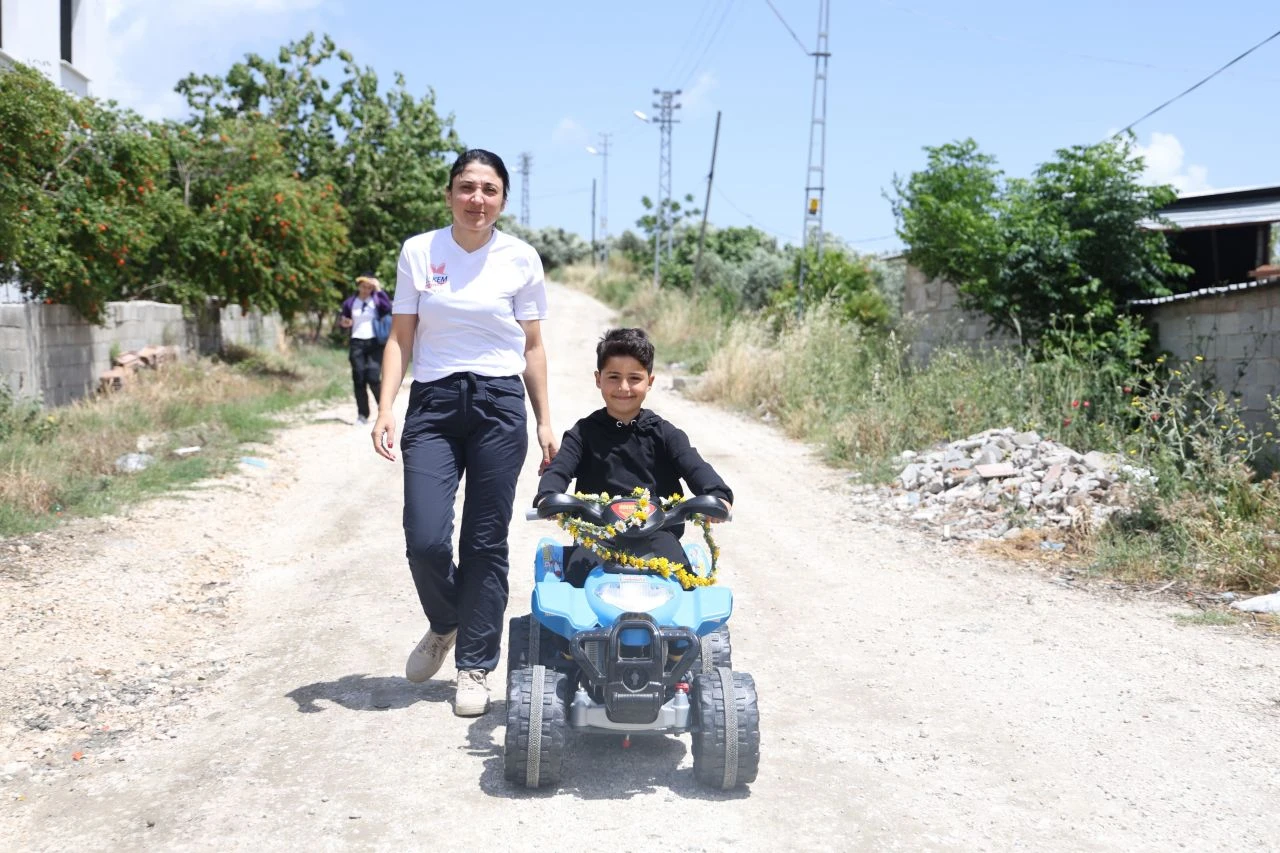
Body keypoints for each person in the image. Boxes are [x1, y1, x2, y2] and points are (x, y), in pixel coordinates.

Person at [371, 149, 556, 718]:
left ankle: (474, 665)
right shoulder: (420, 252)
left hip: (500, 404)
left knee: (484, 541)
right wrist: (386, 406)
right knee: (425, 537)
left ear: (503, 198)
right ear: (449, 192)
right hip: (434, 403)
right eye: (467, 187)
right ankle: (446, 619)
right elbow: (401, 336)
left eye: (490, 190)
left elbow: (532, 347)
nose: (478, 199)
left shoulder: (521, 259)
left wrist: (546, 418)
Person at [535, 327, 732, 586]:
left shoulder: (665, 434)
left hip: (658, 534)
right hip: (598, 534)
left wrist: (718, 496)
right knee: (573, 587)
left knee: (687, 587)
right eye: (614, 377)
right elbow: (560, 468)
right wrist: (549, 495)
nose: (624, 387)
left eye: (634, 378)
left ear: (649, 381)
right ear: (598, 379)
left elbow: (695, 466)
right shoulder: (582, 433)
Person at [338, 274, 392, 425]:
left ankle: (384, 409)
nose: (366, 289)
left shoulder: (376, 300)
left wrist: (379, 289)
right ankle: (362, 414)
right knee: (359, 378)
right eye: (364, 286)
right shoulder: (350, 302)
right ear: (359, 286)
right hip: (357, 342)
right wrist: (345, 323)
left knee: (373, 377)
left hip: (375, 342)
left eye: (370, 287)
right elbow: (344, 319)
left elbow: (387, 308)